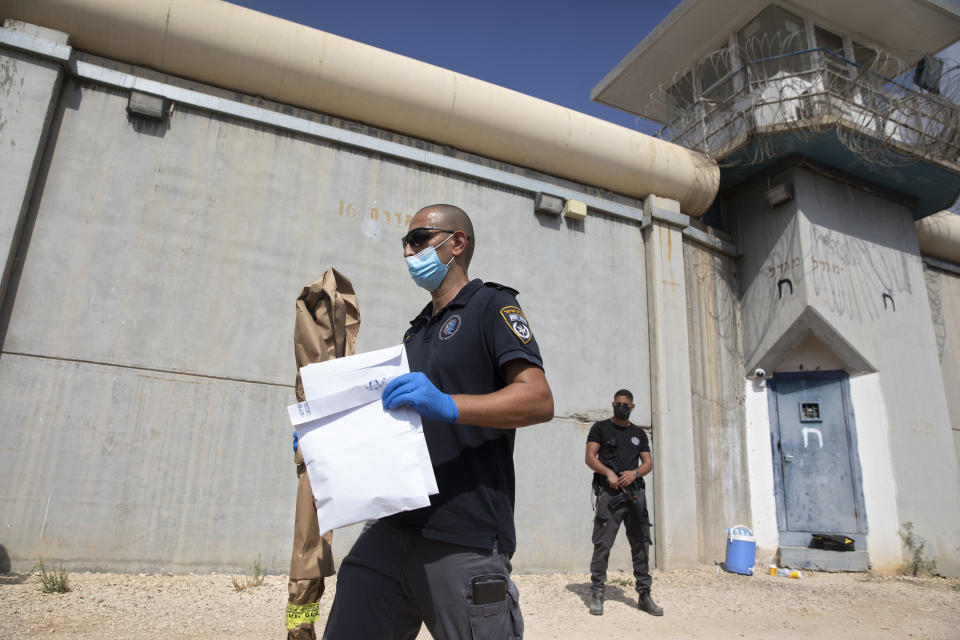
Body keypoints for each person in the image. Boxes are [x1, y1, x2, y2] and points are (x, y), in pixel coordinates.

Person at [322, 204, 554, 640]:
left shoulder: (492, 305)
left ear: (457, 243)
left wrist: (449, 404)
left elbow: (538, 399)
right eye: (404, 244)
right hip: (394, 524)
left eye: (418, 239)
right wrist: (324, 439)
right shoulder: (416, 331)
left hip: (464, 534)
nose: (408, 252)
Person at [584, 389, 663, 617]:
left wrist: (635, 473)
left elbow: (648, 463)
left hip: (635, 495)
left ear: (632, 407)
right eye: (618, 403)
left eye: (625, 404)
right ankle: (597, 593)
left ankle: (644, 595)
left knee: (641, 545)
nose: (621, 407)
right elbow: (590, 457)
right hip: (609, 495)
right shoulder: (600, 428)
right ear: (612, 404)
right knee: (602, 545)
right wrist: (608, 472)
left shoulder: (638, 433)